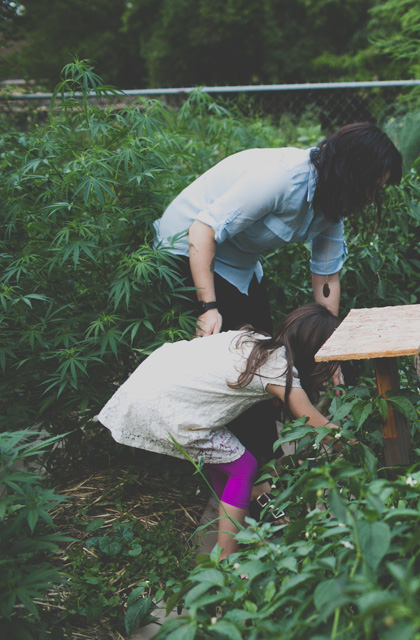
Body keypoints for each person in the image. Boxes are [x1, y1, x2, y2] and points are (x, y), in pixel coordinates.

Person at [153, 122, 402, 467]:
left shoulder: (333, 202)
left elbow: (326, 276)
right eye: (371, 187)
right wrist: (208, 307)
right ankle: (258, 479)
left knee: (271, 355)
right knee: (248, 367)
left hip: (239, 264)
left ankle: (271, 455)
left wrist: (329, 353)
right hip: (187, 250)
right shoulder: (281, 178)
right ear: (352, 172)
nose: (371, 197)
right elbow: (203, 229)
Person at [97, 304, 341, 558]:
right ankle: (227, 557)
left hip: (154, 377)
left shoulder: (256, 341)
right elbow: (313, 421)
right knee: (243, 467)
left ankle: (247, 533)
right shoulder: (278, 370)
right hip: (167, 406)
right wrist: (356, 445)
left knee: (225, 461)